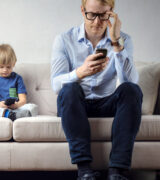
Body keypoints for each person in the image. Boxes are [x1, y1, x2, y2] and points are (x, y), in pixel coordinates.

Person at [50, 0, 142, 179]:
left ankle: (117, 171)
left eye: (103, 15)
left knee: (131, 90)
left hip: (106, 103)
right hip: (76, 105)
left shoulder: (124, 39)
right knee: (69, 89)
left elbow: (130, 82)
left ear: (111, 13)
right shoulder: (63, 40)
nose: (97, 22)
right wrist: (80, 72)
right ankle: (84, 171)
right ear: (82, 11)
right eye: (91, 15)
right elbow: (56, 85)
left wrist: (116, 43)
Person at [0, 44, 38, 120]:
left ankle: (11, 114)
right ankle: (8, 114)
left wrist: (15, 105)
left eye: (8, 67)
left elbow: (23, 100)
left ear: (13, 64)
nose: (5, 70)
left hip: (14, 108)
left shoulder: (17, 78)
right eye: (1, 67)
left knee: (33, 107)